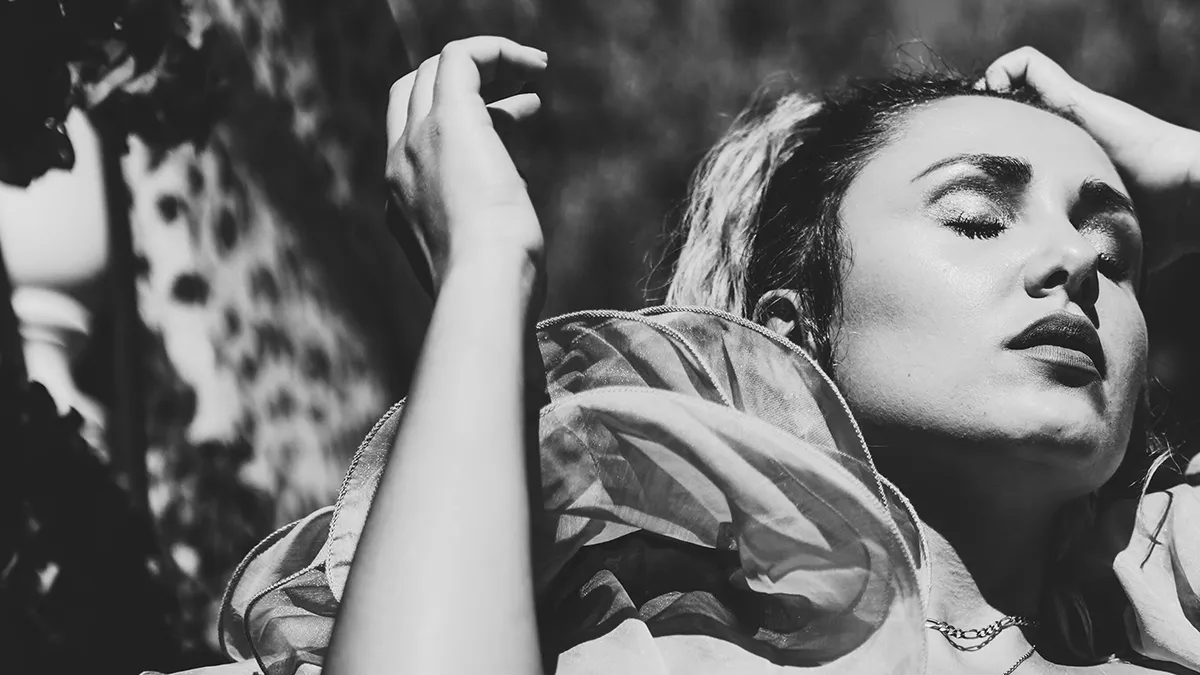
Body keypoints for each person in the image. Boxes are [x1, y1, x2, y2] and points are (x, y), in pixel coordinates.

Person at [206, 37, 1200, 675]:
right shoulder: (651, 641)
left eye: (1117, 255)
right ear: (793, 333)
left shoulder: (1170, 593)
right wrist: (487, 264)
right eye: (979, 219)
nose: (1076, 262)